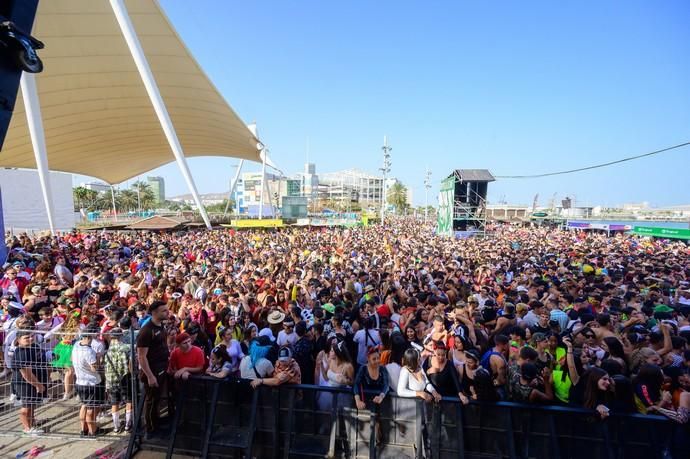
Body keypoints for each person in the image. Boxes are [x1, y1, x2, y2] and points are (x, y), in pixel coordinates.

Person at [136, 300, 170, 436]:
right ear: (155, 313)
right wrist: (150, 376)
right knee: (151, 400)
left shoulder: (161, 326)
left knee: (158, 399)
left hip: (162, 367)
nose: (167, 312)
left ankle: (157, 423)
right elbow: (141, 356)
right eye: (164, 311)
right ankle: (150, 429)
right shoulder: (146, 331)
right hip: (152, 370)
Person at [12, 330, 48, 435]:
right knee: (26, 406)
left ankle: (32, 421)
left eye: (32, 336)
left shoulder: (33, 346)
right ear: (18, 340)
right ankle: (27, 428)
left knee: (32, 403)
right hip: (24, 383)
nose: (31, 338)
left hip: (33, 381)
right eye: (26, 338)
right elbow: (26, 374)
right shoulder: (21, 353)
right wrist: (38, 385)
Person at [71, 328, 104, 436]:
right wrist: (98, 357)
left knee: (84, 405)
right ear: (89, 337)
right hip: (91, 382)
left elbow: (72, 359)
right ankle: (92, 431)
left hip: (80, 381)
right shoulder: (88, 351)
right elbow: (94, 368)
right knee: (92, 408)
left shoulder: (76, 345)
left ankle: (83, 429)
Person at [104, 328, 133, 433]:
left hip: (111, 380)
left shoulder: (107, 350)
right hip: (125, 378)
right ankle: (127, 425)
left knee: (114, 403)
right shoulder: (127, 348)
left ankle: (116, 427)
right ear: (121, 336)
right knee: (129, 401)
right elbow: (130, 364)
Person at [353, 345, 390, 410]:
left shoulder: (382, 368)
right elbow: (356, 384)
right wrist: (358, 401)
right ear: (368, 359)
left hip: (380, 403)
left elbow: (386, 385)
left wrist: (381, 396)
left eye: (378, 358)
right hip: (366, 403)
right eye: (374, 359)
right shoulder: (363, 369)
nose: (377, 361)